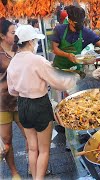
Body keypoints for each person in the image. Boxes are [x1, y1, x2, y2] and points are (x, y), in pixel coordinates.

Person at [7, 25, 80, 180]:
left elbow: (12, 90)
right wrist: (74, 78)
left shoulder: (13, 62)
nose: (36, 43)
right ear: (31, 42)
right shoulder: (38, 60)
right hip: (40, 105)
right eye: (35, 40)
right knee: (44, 150)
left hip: (23, 106)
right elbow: (58, 83)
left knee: (32, 149)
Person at [51, 5, 100, 71]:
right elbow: (54, 49)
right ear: (69, 21)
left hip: (76, 70)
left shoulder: (85, 31)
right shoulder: (59, 29)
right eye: (76, 23)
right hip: (59, 69)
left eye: (81, 22)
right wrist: (67, 55)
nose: (80, 25)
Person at [0, 18, 26, 180]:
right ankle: (14, 173)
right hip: (2, 104)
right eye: (12, 32)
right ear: (2, 36)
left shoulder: (19, 48)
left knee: (30, 136)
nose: (15, 35)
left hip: (21, 100)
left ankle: (34, 165)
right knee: (7, 140)